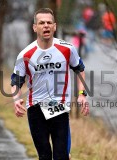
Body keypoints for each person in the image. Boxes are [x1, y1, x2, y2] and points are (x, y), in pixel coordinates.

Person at [11, 8, 89, 160]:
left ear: (54, 26)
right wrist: (16, 99)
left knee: (61, 156)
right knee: (45, 156)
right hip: (36, 109)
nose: (46, 26)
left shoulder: (67, 49)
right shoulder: (26, 54)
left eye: (49, 23)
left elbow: (80, 69)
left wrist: (82, 95)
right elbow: (16, 81)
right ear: (35, 27)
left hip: (59, 107)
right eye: (41, 23)